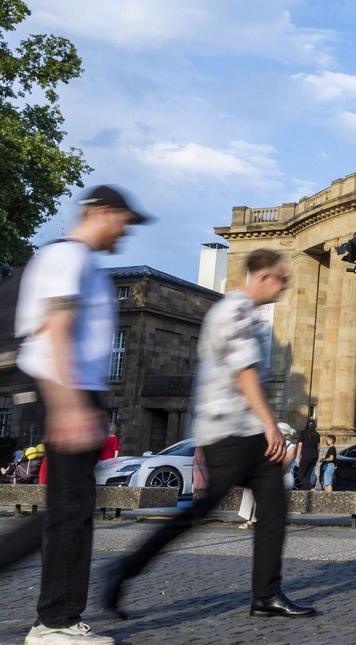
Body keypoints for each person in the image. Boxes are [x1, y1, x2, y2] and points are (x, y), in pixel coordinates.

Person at [103, 249, 316, 620]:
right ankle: (124, 569)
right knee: (200, 511)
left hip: (243, 431)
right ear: (263, 277)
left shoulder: (244, 315)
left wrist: (266, 427)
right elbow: (244, 372)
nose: (284, 288)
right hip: (229, 433)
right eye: (282, 279)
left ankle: (266, 595)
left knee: (273, 507)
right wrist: (271, 425)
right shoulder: (234, 312)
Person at [0, 185, 149, 645]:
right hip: (64, 391)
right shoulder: (68, 258)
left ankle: (59, 615)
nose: (125, 232)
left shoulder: (77, 261)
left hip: (73, 391)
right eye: (124, 220)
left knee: (68, 507)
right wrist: (68, 405)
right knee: (71, 510)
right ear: (102, 212)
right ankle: (55, 621)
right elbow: (57, 327)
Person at [239, 422, 298, 529]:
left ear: (283, 435)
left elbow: (283, 466)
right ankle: (250, 518)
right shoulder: (271, 444)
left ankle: (262, 520)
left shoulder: (291, 448)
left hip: (284, 476)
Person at [297, 419, 320, 490]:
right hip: (314, 456)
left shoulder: (303, 433)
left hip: (306, 455)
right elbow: (318, 447)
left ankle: (311, 489)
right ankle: (304, 493)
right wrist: (316, 455)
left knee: (300, 476)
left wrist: (298, 456)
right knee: (307, 476)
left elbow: (300, 445)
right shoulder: (317, 434)